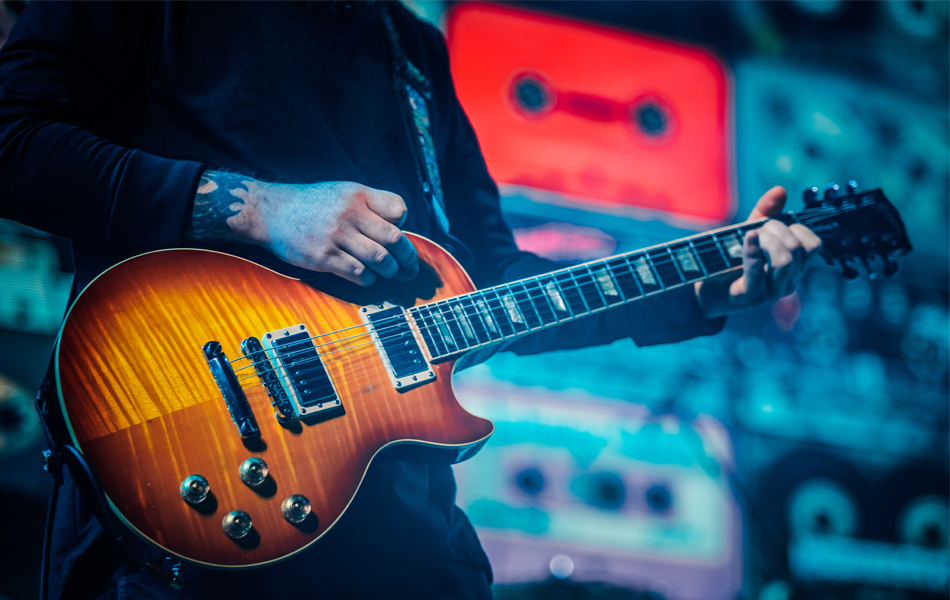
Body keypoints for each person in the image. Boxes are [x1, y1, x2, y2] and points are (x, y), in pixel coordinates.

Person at [0, 2, 820, 599]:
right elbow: (15, 142)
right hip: (184, 496)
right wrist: (257, 208)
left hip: (404, 539)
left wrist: (697, 285)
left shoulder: (412, 49)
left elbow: (489, 279)